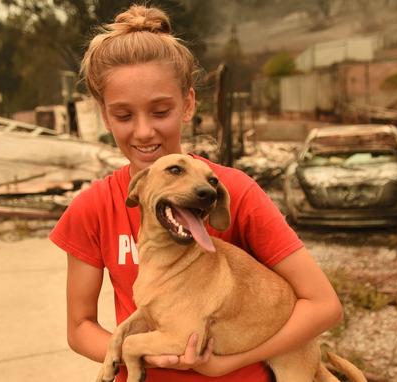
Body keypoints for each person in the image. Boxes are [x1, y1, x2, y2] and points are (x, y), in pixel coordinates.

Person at [49, 5, 343, 382]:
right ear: (105, 117)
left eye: (160, 111)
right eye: (124, 116)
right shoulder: (93, 208)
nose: (143, 132)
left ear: (188, 104)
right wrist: (139, 353)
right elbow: (79, 327)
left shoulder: (232, 190)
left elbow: (324, 306)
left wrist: (228, 362)